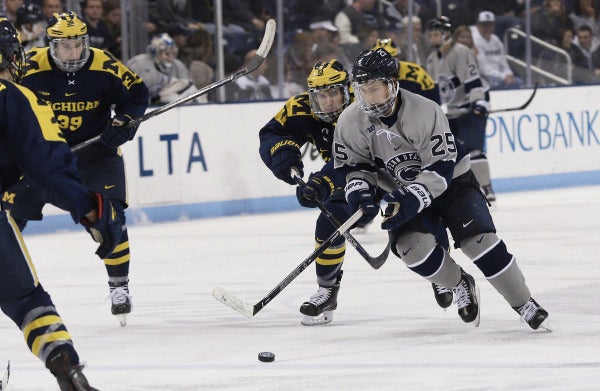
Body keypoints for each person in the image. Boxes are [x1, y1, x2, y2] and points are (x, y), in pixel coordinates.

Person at [332, 47, 550, 331]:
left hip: (452, 184)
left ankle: (524, 303)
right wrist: (361, 195)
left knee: (479, 243)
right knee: (412, 250)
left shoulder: (424, 110)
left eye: (375, 88)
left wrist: (413, 198)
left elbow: (441, 167)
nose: (368, 97)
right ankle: (460, 283)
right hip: (402, 190)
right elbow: (353, 167)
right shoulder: (350, 120)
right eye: (362, 89)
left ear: (393, 85)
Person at [259, 58, 450, 326]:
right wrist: (284, 156)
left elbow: (353, 159)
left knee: (424, 215)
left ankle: (443, 275)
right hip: (358, 177)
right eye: (321, 95)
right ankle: (327, 290)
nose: (328, 102)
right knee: (331, 218)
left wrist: (323, 180)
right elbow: (273, 134)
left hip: (400, 170)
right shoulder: (302, 107)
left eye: (334, 93)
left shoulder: (366, 104)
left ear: (348, 89)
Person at [1, 11, 149, 326]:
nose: (72, 52)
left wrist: (123, 123)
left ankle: (119, 285)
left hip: (96, 153)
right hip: (43, 158)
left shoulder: (105, 64)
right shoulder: (30, 67)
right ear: (51, 44)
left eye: (77, 45)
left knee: (110, 215)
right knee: (10, 218)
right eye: (65, 46)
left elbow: (137, 95)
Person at [0, 18, 122, 390]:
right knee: (26, 300)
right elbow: (48, 169)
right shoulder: (14, 96)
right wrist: (89, 207)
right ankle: (65, 366)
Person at [425, 16, 496, 203]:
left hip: (472, 106)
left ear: (446, 34)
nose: (432, 37)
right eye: (430, 34)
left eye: (435, 33)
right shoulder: (432, 58)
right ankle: (465, 190)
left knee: (473, 150)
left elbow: (473, 80)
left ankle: (487, 189)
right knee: (453, 152)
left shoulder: (461, 51)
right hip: (453, 110)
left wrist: (479, 102)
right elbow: (436, 90)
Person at [127, 32, 195, 104]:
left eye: (173, 53)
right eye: (167, 53)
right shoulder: (138, 63)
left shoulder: (178, 65)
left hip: (168, 107)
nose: (171, 58)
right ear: (154, 52)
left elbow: (187, 87)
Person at [470, 11, 523, 89]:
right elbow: (483, 69)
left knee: (519, 82)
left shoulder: (496, 40)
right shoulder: (475, 41)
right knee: (498, 83)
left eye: (490, 25)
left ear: (493, 26)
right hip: (484, 77)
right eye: (484, 25)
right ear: (478, 25)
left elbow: (504, 63)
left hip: (500, 76)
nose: (487, 28)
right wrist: (503, 77)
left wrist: (508, 74)